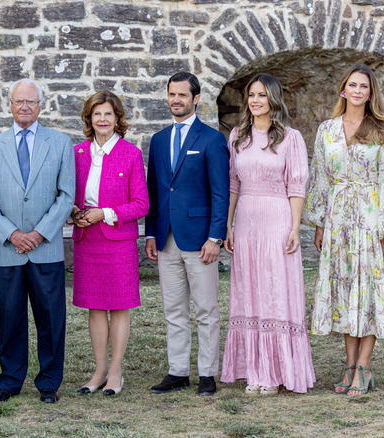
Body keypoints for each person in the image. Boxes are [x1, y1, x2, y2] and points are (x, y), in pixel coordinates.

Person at [304, 64, 384, 396]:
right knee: (344, 292)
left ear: (370, 93)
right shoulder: (326, 130)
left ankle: (364, 368)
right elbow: (320, 178)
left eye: (363, 86)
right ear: (343, 89)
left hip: (371, 220)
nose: (357, 91)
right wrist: (320, 222)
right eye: (351, 85)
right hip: (338, 221)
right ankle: (349, 366)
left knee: (369, 294)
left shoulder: (383, 130)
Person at [0, 79, 75, 404]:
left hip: (45, 247)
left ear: (40, 105)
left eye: (31, 102)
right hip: (9, 250)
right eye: (19, 101)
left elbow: (66, 196)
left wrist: (38, 233)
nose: (24, 107)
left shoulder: (60, 143)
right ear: (10, 104)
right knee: (10, 318)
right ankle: (9, 380)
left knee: (50, 319)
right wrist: (13, 234)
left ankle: (49, 382)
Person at [221, 73, 314, 395]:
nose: (256, 100)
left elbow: (297, 185)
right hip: (246, 220)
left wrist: (294, 227)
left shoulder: (291, 138)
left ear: (273, 99)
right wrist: (228, 225)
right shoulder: (237, 135)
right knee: (249, 290)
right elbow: (233, 183)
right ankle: (253, 370)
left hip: (277, 220)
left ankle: (277, 372)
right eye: (251, 95)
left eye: (262, 95)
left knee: (275, 291)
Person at [144, 72, 230, 397]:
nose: (176, 100)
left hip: (200, 239)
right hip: (165, 238)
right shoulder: (159, 140)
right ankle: (177, 372)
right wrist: (150, 233)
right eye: (171, 94)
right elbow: (155, 191)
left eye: (182, 95)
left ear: (196, 99)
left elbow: (221, 193)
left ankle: (208, 374)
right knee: (174, 310)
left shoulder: (211, 139)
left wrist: (215, 237)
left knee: (206, 310)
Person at [70, 91, 149, 397]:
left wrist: (105, 213)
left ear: (117, 118)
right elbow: (69, 196)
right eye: (96, 114)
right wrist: (75, 212)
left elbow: (141, 204)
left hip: (117, 242)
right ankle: (99, 370)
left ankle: (116, 372)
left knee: (119, 307)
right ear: (89, 119)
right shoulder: (76, 153)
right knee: (94, 307)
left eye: (107, 114)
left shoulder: (130, 154)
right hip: (87, 240)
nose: (102, 120)